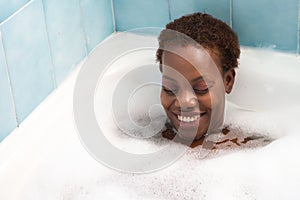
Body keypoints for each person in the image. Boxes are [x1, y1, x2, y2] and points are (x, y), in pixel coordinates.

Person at [156, 13, 272, 149]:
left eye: (201, 88)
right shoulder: (144, 136)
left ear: (228, 81)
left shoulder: (253, 150)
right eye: (170, 89)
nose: (184, 101)